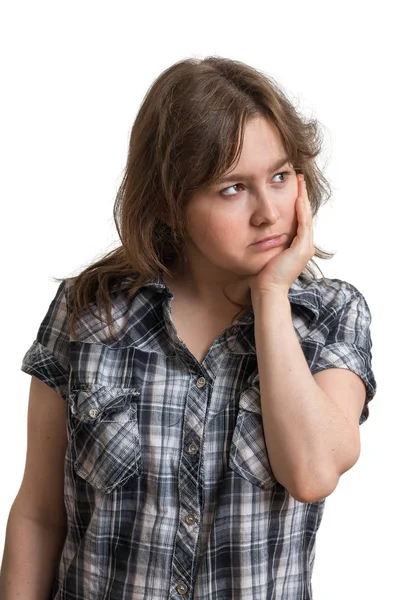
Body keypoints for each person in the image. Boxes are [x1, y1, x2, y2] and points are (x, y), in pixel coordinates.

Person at [0, 56, 376, 600]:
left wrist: (271, 296)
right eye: (232, 189)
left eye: (279, 177)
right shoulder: (87, 314)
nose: (269, 212)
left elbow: (313, 473)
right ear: (171, 203)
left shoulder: (332, 316)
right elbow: (38, 515)